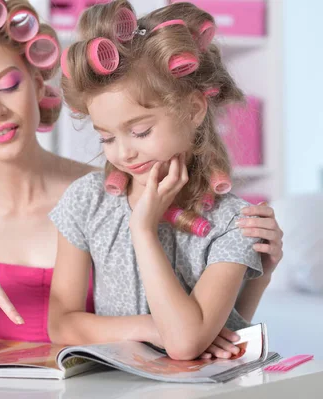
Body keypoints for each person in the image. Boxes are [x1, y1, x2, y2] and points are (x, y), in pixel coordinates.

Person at [0, 0, 283, 356]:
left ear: (36, 81)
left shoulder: (109, 191)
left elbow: (192, 318)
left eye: (7, 85)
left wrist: (256, 275)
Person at [48, 0, 281, 360]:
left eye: (140, 131)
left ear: (192, 110)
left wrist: (142, 229)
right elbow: (61, 325)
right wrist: (151, 327)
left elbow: (184, 343)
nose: (123, 153)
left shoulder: (232, 223)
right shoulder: (87, 200)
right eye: (107, 137)